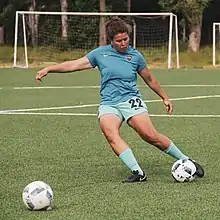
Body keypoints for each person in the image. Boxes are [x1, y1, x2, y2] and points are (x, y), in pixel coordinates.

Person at [35, 17, 204, 183]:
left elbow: (150, 79)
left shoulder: (135, 56)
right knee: (110, 132)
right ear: (111, 41)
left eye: (126, 39)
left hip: (131, 100)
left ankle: (187, 161)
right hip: (109, 103)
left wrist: (164, 97)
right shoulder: (100, 54)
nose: (124, 43)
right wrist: (49, 69)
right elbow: (73, 65)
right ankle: (138, 172)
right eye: (119, 40)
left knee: (150, 136)